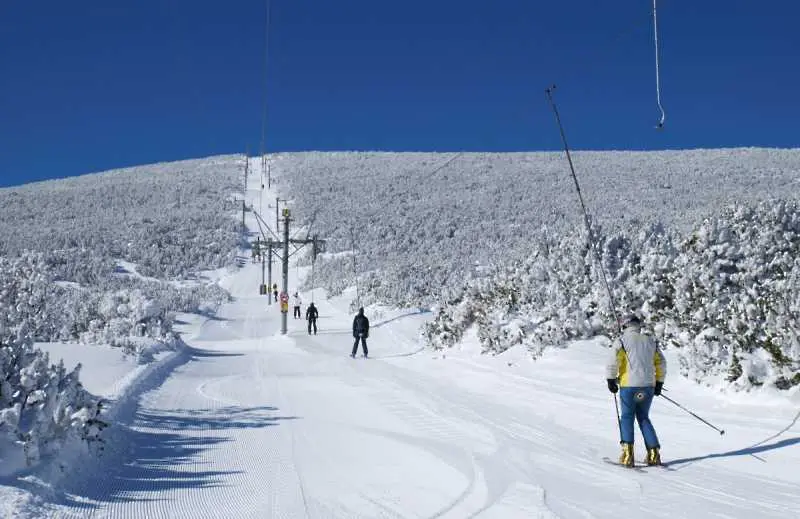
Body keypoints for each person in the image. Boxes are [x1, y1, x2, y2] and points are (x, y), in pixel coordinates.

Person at [606, 314, 666, 467]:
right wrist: (659, 382)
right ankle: (654, 454)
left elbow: (613, 361)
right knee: (644, 417)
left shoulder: (621, 341)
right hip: (648, 387)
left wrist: (611, 379)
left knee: (626, 417)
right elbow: (661, 363)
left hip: (628, 386)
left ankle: (627, 454)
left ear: (625, 325)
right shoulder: (650, 341)